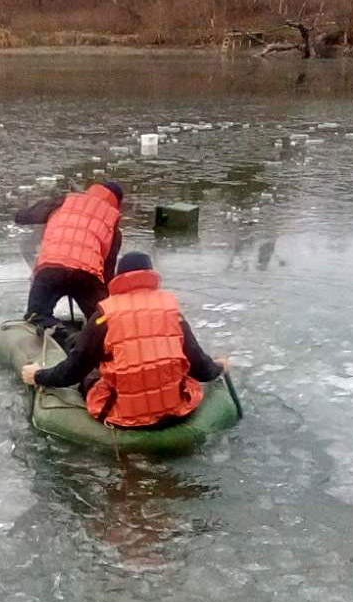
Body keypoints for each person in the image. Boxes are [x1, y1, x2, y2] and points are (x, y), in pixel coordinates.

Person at [21, 252, 229, 429]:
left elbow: (73, 371)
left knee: (91, 374)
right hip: (175, 411)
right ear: (151, 276)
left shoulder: (105, 315)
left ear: (119, 277)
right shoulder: (172, 311)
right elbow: (200, 366)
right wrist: (219, 367)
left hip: (123, 416)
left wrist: (39, 375)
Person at [14, 181, 124, 341]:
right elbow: (108, 272)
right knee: (102, 321)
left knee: (36, 315)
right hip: (87, 276)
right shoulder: (112, 223)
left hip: (51, 269)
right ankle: (93, 345)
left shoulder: (64, 200)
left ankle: (57, 330)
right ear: (117, 203)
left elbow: (22, 217)